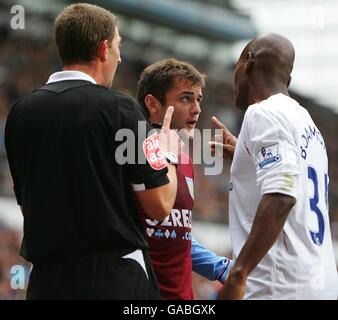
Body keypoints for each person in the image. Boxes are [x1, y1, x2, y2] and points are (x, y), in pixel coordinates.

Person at [5, 3, 180, 299]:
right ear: (102, 49)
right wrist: (169, 154)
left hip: (47, 282)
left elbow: (27, 204)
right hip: (114, 278)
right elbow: (160, 204)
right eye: (117, 46)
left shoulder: (20, 113)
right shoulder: (121, 109)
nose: (120, 56)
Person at [211, 33, 338, 300]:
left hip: (279, 287)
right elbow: (294, 181)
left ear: (248, 62)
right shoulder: (308, 124)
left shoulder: (264, 112)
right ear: (288, 80)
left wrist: (239, 274)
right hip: (318, 282)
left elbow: (282, 195)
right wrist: (246, 156)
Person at [137, 58, 233, 300]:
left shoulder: (185, 161)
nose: (197, 109)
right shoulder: (133, 152)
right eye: (185, 98)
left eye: (198, 99)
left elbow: (176, 235)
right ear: (153, 104)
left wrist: (220, 267)